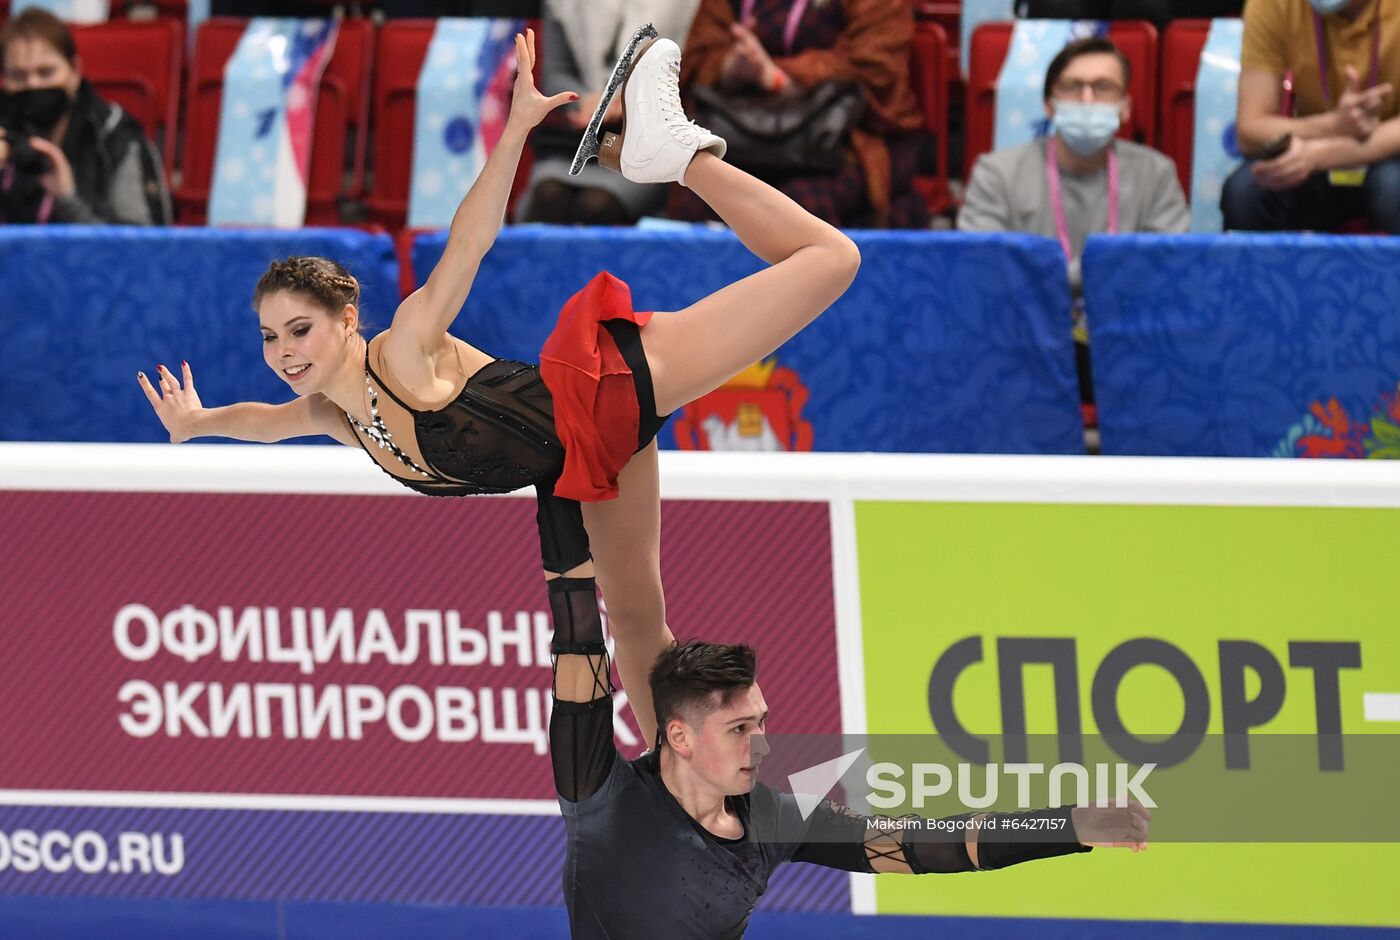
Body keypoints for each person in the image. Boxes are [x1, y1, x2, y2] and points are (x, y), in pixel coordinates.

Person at [138, 28, 861, 746]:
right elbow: (263, 422)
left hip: (605, 385)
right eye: (270, 337)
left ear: (348, 318)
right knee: (640, 625)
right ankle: (672, 783)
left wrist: (515, 130)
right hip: (586, 463)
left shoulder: (406, 348)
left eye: (300, 329)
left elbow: (469, 243)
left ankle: (678, 157)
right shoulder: (341, 418)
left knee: (830, 258)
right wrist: (195, 423)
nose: (285, 352)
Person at [550, 636, 1152, 937]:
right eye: (739, 729)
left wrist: (1068, 826)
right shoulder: (608, 801)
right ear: (680, 736)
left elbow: (924, 846)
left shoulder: (775, 820)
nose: (761, 744)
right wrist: (564, 509)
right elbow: (579, 662)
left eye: (762, 723)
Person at [957, 37, 1187, 406]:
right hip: (1025, 338)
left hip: (1125, 338)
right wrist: (1102, 270)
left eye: (1103, 87)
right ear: (1049, 104)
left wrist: (1049, 275)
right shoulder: (996, 172)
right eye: (1072, 86)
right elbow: (983, 267)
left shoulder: (1156, 173)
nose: (1086, 99)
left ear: (1125, 107)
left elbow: (1165, 266)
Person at [671, 0, 929, 228]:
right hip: (743, 136)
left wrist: (778, 76)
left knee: (797, 209)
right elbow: (694, 61)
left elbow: (876, 66)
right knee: (701, 199)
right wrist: (731, 65)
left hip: (845, 140)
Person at [1222, 0, 1400, 233]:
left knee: (1391, 188)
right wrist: (1332, 126)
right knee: (1245, 192)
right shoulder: (1272, 4)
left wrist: (1320, 156)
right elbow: (1249, 130)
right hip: (1308, 152)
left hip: (1387, 154)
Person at [518, 0, 701, 225]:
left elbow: (696, 73)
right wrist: (585, 101)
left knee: (596, 206)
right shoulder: (562, 4)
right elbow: (555, 75)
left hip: (643, 144)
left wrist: (631, 99)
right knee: (549, 196)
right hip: (573, 142)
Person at [0, 8, 171, 226]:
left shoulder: (114, 135)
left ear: (75, 70)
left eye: (46, 72)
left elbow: (144, 242)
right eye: (18, 76)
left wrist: (68, 201)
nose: (33, 85)